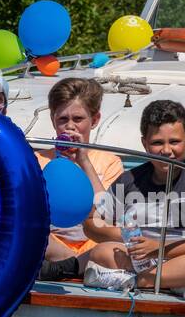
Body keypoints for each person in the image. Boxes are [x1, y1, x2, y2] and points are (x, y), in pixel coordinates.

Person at [82, 99, 185, 302]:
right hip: (138, 258)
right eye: (157, 143)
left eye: (174, 142)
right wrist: (128, 236)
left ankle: (134, 282)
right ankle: (179, 285)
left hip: (181, 257)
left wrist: (159, 246)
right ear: (144, 144)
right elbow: (91, 224)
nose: (167, 151)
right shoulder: (129, 180)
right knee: (100, 252)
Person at [33, 77, 126, 280]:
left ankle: (69, 265)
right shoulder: (35, 160)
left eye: (78, 119)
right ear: (53, 120)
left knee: (119, 244)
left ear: (94, 120)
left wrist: (84, 161)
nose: (70, 127)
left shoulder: (110, 162)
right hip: (50, 246)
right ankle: (74, 264)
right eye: (62, 119)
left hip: (93, 247)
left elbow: (110, 215)